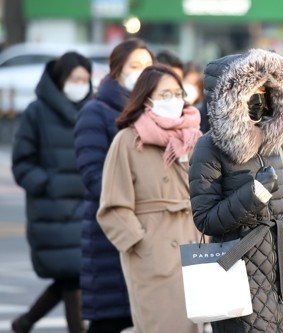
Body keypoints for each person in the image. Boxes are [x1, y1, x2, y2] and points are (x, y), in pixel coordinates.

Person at [189, 48, 283, 333]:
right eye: (252, 90)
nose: (261, 97)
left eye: (265, 89)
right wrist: (255, 194)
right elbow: (205, 218)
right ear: (230, 98)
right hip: (234, 272)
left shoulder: (278, 142)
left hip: (280, 271)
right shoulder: (208, 148)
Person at [96, 63, 203, 333]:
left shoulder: (195, 139)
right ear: (146, 99)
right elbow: (112, 207)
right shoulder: (128, 141)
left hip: (196, 250)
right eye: (165, 95)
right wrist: (142, 245)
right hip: (154, 257)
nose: (174, 100)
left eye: (178, 94)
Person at [74, 38, 153, 333]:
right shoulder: (96, 112)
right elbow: (94, 176)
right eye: (135, 66)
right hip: (111, 232)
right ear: (117, 69)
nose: (141, 72)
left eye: (147, 66)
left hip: (148, 230)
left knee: (144, 316)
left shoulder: (150, 113)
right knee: (110, 318)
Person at [11, 51, 93, 333]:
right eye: (75, 78)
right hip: (52, 211)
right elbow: (22, 162)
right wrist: (46, 184)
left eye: (85, 79)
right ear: (60, 79)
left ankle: (24, 322)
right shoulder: (36, 112)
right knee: (73, 278)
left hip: (85, 209)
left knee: (73, 276)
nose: (81, 84)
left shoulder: (91, 110)